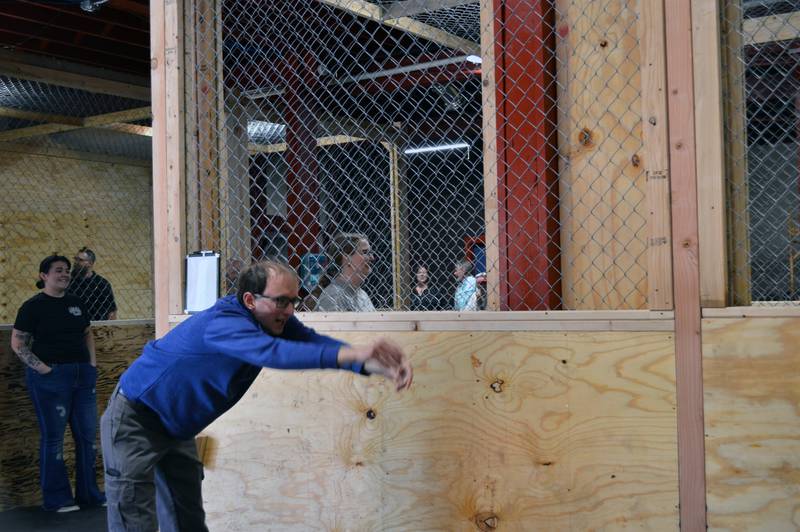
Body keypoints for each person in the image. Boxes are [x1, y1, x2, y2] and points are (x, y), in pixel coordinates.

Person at [100, 259, 412, 531]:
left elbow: (311, 342)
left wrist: (373, 365)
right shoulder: (223, 324)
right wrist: (357, 352)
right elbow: (274, 353)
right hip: (136, 419)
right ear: (250, 299)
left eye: (294, 301)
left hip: (177, 426)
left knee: (187, 518)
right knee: (133, 519)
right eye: (281, 301)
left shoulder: (273, 319)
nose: (289, 310)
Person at [11, 255, 106, 513]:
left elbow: (87, 333)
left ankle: (90, 495)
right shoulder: (33, 306)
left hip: (82, 376)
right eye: (57, 270)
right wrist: (44, 370)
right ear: (44, 276)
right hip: (51, 378)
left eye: (66, 270)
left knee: (87, 437)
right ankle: (57, 499)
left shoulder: (77, 303)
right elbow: (18, 344)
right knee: (53, 439)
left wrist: (91, 365)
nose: (64, 274)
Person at [307, 232, 376, 312]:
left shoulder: (363, 295)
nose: (372, 258)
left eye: (370, 253)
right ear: (347, 258)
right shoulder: (333, 296)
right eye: (365, 252)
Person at [68, 247, 117, 320]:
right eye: (75, 259)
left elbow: (112, 311)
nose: (76, 262)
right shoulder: (67, 281)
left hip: (96, 327)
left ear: (90, 263)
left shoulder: (102, 283)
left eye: (80, 260)